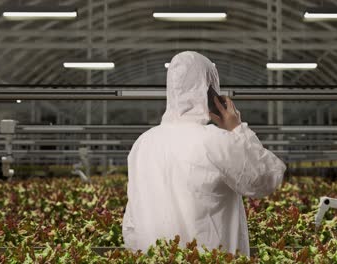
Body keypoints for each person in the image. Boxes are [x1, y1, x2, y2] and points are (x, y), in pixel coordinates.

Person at [122, 51, 286, 255]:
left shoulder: (143, 144)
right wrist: (237, 129)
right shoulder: (215, 141)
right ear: (210, 92)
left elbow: (131, 222)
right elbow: (267, 178)